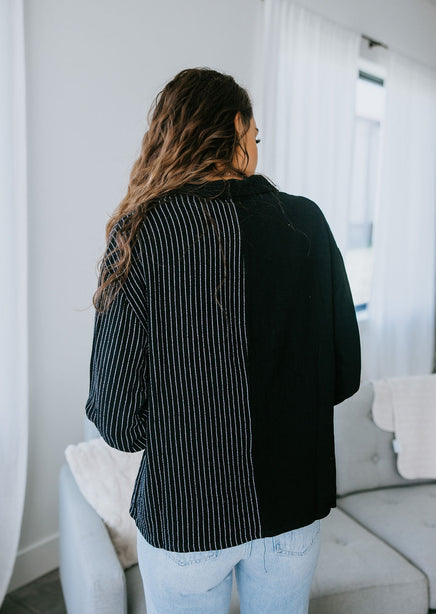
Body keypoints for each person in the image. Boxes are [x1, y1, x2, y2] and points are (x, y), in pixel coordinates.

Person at [85, 67, 361, 614]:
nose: (255, 150)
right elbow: (343, 376)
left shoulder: (144, 231)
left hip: (186, 519)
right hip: (292, 513)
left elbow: (118, 422)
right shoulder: (308, 223)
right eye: (254, 138)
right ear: (236, 128)